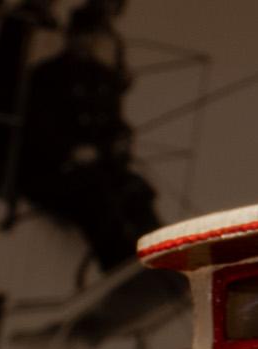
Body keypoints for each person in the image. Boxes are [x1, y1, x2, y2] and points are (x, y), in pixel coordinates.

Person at [20, 5, 159, 272]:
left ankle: (161, 254)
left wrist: (119, 143)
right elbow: (39, 127)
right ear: (70, 37)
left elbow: (115, 125)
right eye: (81, 36)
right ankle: (118, 266)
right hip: (57, 171)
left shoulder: (101, 78)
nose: (86, 42)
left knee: (136, 189)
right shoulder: (45, 77)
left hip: (99, 166)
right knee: (95, 196)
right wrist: (70, 151)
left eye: (91, 36)